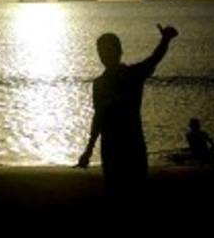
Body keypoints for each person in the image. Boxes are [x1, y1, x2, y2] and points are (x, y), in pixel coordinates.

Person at [75, 23, 179, 192]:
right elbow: (98, 118)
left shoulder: (133, 74)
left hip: (133, 145)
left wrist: (165, 40)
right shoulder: (99, 84)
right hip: (110, 148)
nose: (104, 55)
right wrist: (88, 150)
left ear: (119, 51)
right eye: (101, 51)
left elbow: (154, 59)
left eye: (108, 50)